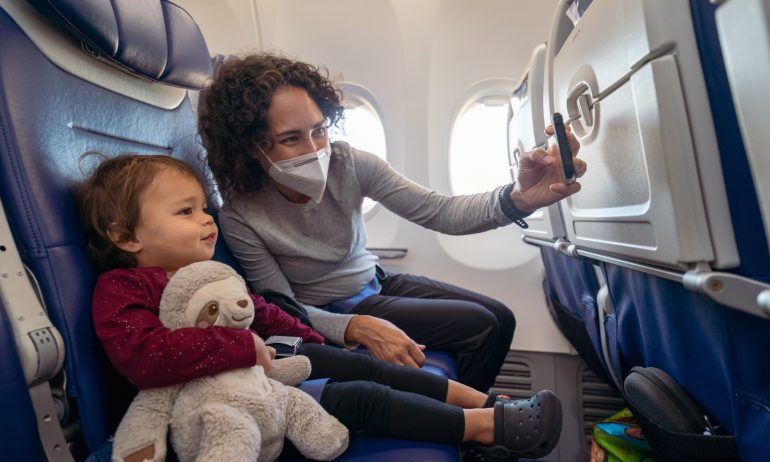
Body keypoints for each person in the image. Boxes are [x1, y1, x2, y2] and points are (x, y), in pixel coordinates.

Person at [76, 153, 563, 461]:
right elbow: (145, 356)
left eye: (204, 207)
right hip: (223, 404)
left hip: (262, 367)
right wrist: (242, 344)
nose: (207, 220)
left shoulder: (209, 274)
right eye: (186, 212)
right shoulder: (123, 288)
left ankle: (485, 403)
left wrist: (313, 338)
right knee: (361, 398)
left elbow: (261, 310)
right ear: (125, 236)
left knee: (357, 364)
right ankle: (484, 430)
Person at [198, 53, 586, 392]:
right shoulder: (240, 215)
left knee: (501, 317)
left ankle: (469, 418)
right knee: (482, 327)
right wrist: (355, 326)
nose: (316, 149)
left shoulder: (351, 164)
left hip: (374, 280)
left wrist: (518, 198)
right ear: (252, 146)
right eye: (292, 139)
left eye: (319, 130)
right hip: (329, 306)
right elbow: (284, 309)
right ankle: (467, 425)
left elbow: (442, 212)